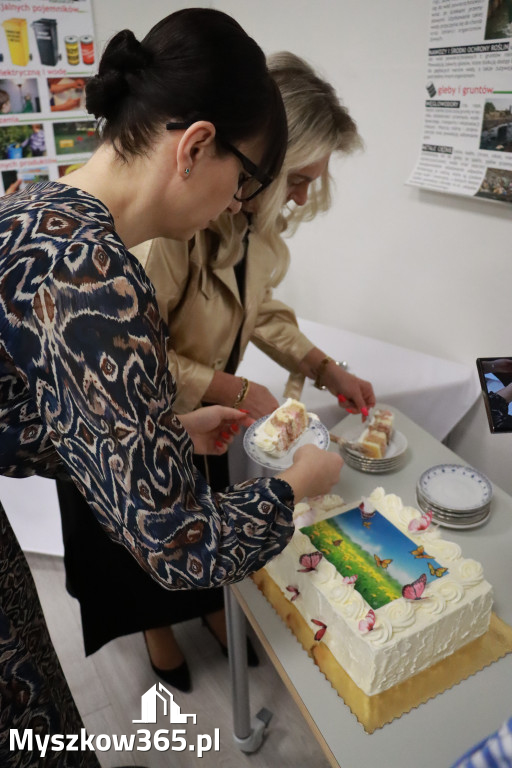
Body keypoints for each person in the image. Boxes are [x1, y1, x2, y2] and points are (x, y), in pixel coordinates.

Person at [0, 11, 342, 768]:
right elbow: (182, 548)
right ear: (195, 148)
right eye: (244, 182)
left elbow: (37, 407)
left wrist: (161, 430)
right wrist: (296, 485)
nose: (237, 206)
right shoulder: (95, 280)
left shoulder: (35, 210)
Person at [56, 52, 372, 693]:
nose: (305, 197)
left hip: (196, 418)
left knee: (200, 516)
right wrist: (234, 388)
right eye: (301, 178)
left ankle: (205, 606)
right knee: (140, 544)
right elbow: (124, 360)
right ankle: (156, 628)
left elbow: (261, 308)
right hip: (129, 414)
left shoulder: (248, 223)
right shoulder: (162, 226)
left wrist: (320, 365)